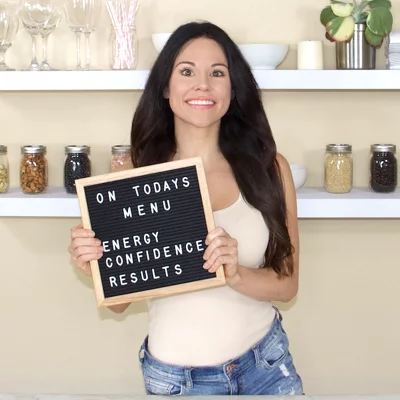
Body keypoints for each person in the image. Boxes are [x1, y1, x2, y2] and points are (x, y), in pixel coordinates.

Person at [68, 21, 303, 396]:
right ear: (166, 87)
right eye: (187, 71)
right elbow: (117, 305)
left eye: (218, 73)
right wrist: (96, 263)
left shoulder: (272, 169)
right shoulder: (133, 178)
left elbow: (287, 284)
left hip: (267, 368)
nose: (203, 85)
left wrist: (236, 274)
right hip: (179, 382)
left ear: (232, 88)